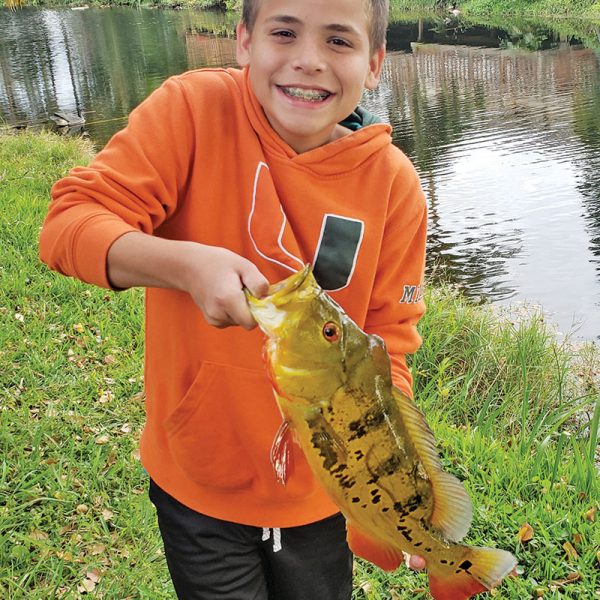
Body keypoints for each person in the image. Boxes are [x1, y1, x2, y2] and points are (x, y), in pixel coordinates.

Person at [39, 0, 428, 598]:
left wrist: (403, 473)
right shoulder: (192, 112)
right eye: (284, 32)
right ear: (244, 41)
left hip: (321, 497)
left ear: (375, 63)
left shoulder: (395, 187)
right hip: (200, 482)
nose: (307, 61)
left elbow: (388, 348)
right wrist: (184, 265)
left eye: (338, 42)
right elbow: (68, 225)